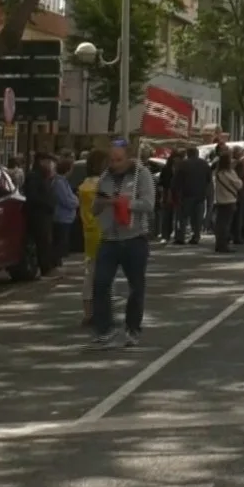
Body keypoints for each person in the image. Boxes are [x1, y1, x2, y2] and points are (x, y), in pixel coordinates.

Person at [89, 138, 155, 350]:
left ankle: (132, 327)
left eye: (118, 159)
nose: (114, 163)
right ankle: (104, 328)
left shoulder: (141, 175)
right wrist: (101, 204)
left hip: (134, 237)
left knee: (136, 286)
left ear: (128, 159)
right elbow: (94, 207)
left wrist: (125, 203)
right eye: (111, 159)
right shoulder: (105, 177)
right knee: (100, 283)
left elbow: (148, 204)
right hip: (109, 237)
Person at [75, 150, 106, 327]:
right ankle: (101, 311)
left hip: (89, 233)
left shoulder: (84, 186)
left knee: (90, 274)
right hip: (104, 232)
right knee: (104, 276)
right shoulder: (102, 186)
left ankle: (89, 312)